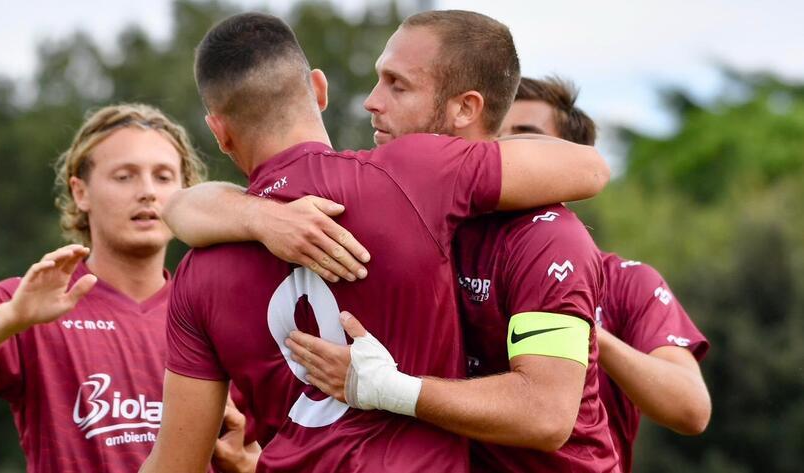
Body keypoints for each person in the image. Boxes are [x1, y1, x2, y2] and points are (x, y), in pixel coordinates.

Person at [142, 11, 610, 473]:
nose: (370, 101)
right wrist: (256, 215)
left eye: (396, 84)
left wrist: (392, 388)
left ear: (218, 131)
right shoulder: (405, 179)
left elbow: (546, 415)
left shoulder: (542, 232)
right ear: (319, 92)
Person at [0, 104, 208, 473]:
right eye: (124, 176)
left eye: (164, 176)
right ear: (81, 193)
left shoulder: (211, 310)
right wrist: (13, 316)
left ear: (185, 192)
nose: (147, 192)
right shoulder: (37, 300)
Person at [499, 76, 711, 472]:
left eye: (525, 136)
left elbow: (690, 409)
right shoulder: (454, 256)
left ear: (573, 165)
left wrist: (574, 327)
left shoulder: (629, 282)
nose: (504, 150)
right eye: (496, 135)